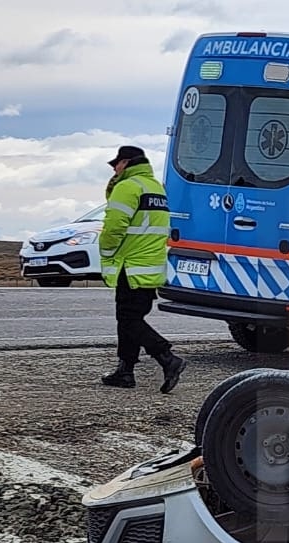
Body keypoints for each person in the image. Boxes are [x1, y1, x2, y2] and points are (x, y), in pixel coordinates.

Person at [99, 145, 185, 393]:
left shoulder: (128, 187)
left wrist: (106, 253)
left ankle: (168, 359)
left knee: (129, 320)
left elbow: (114, 227)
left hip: (131, 265)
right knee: (129, 319)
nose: (114, 168)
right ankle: (125, 371)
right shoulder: (155, 187)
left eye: (116, 164)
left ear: (126, 163)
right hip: (150, 266)